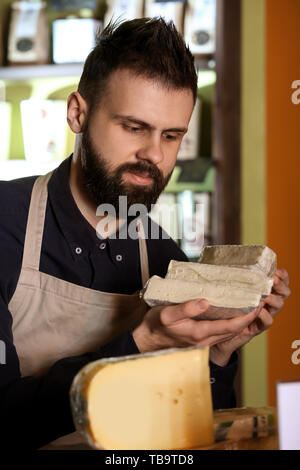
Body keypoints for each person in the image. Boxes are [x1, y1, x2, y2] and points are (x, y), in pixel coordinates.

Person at [0, 18, 290, 451]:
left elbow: (189, 431)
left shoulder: (164, 258)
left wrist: (217, 350)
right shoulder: (6, 222)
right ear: (78, 113)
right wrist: (144, 342)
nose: (153, 154)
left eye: (171, 135)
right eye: (134, 128)